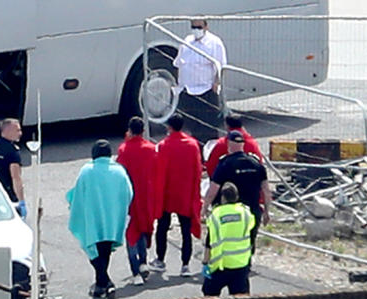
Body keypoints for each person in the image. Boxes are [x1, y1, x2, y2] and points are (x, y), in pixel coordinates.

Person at [66, 139, 134, 299]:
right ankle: (103, 283)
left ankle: (102, 283)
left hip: (92, 219)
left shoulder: (87, 171)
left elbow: (77, 193)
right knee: (105, 251)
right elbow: (129, 193)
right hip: (112, 220)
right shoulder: (119, 171)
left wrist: (71, 201)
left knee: (93, 250)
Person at [201, 131, 272, 254]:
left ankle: (209, 263)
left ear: (229, 144)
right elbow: (266, 190)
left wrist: (204, 208)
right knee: (249, 240)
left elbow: (213, 190)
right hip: (252, 211)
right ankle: (245, 266)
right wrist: (266, 211)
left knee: (218, 237)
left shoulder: (225, 164)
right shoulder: (256, 163)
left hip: (230, 211)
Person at [150, 114, 202, 277]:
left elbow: (158, 170)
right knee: (186, 230)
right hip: (185, 193)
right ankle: (185, 265)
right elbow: (198, 169)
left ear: (169, 127)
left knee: (162, 227)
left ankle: (160, 259)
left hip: (167, 193)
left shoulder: (164, 145)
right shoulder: (192, 145)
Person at [117, 117, 159, 286]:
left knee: (131, 233)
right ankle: (143, 262)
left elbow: (120, 173)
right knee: (144, 228)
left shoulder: (124, 149)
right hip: (147, 196)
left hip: (130, 197)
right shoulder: (151, 149)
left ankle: (135, 270)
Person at [173, 17, 227, 143]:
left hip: (206, 91)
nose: (196, 30)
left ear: (206, 27)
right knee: (190, 128)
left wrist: (216, 83)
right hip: (188, 91)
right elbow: (178, 63)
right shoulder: (187, 41)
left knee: (208, 130)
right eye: (193, 27)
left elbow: (221, 66)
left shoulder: (214, 43)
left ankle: (208, 158)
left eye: (199, 27)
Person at [201, 182, 255, 296]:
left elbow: (209, 241)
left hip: (220, 264)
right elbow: (250, 232)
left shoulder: (216, 215)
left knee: (209, 298)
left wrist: (205, 262)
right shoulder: (245, 213)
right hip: (241, 264)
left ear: (223, 197)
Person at [0, 118, 27, 218]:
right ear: (8, 131)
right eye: (17, 130)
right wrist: (21, 201)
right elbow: (16, 177)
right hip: (7, 194)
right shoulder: (12, 151)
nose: (20, 133)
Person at [205, 114, 262, 178]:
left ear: (227, 125)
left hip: (228, 183)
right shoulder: (252, 143)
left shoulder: (222, 144)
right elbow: (259, 163)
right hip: (250, 183)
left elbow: (211, 166)